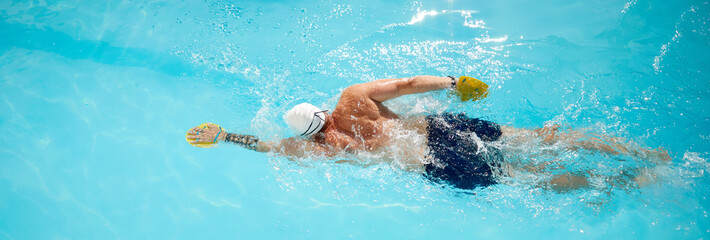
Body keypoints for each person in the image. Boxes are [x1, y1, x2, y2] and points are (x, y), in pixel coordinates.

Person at [186, 76, 670, 191]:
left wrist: (227, 136)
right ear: (321, 109)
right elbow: (409, 84)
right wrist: (455, 82)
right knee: (543, 137)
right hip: (440, 127)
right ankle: (640, 151)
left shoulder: (315, 149)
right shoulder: (352, 98)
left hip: (431, 163)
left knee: (532, 177)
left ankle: (627, 183)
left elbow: (268, 146)